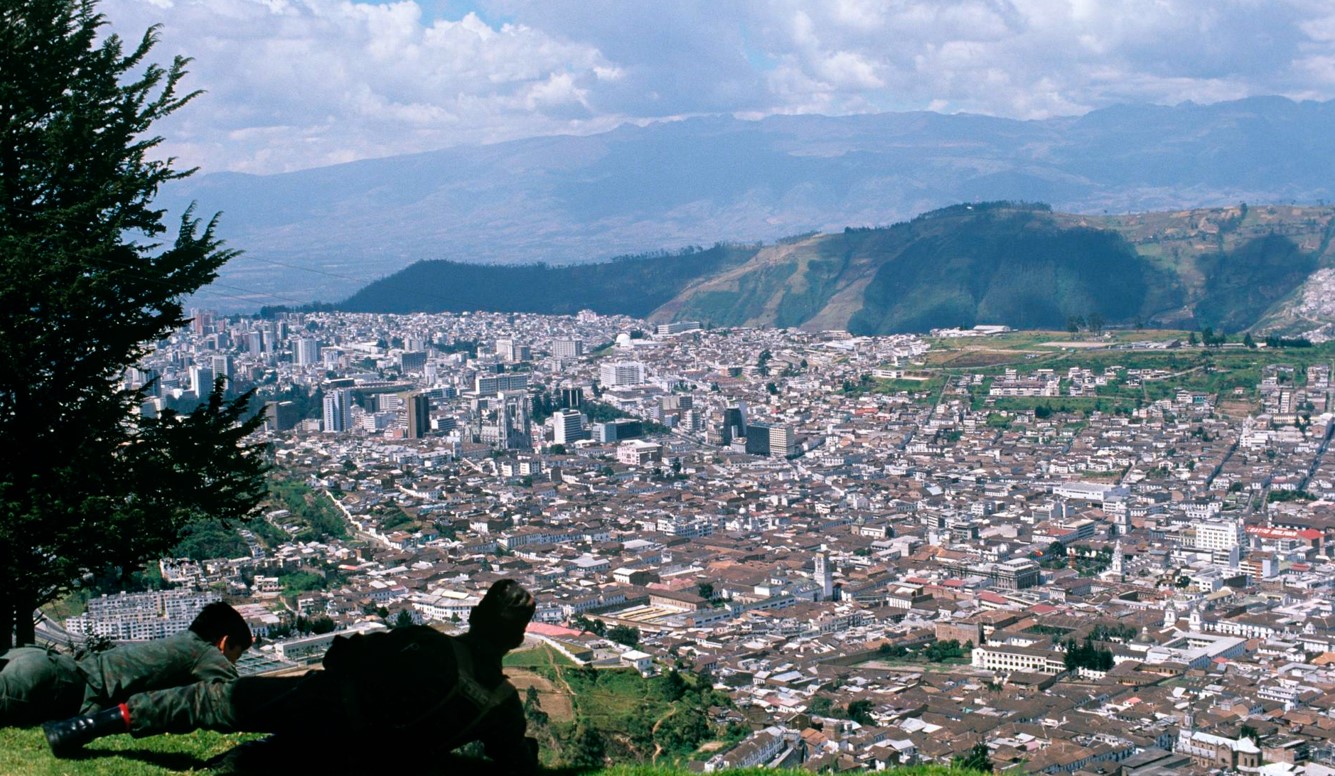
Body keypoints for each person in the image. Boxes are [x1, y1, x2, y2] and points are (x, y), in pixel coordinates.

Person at [45, 579, 540, 775]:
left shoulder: (430, 643)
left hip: (323, 703)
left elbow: (345, 654)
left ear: (474, 614)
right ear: (516, 640)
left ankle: (86, 728)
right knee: (268, 759)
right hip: (369, 756)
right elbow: (514, 759)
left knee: (213, 702)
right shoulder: (502, 705)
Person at [0, 601, 251, 727]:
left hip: (36, 662)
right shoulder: (203, 653)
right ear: (224, 642)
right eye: (234, 656)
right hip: (57, 683)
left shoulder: (184, 644)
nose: (230, 663)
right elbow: (238, 696)